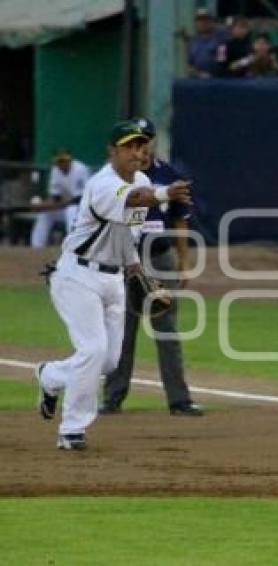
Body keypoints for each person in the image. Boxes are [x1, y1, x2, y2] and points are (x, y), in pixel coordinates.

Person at [34, 121, 192, 450]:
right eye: (130, 146)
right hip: (78, 276)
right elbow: (136, 199)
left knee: (108, 362)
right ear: (113, 152)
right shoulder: (104, 184)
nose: (138, 151)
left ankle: (50, 376)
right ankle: (72, 430)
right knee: (92, 351)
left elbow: (126, 233)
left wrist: (137, 270)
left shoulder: (144, 179)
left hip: (113, 278)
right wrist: (164, 194)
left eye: (141, 145)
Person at [100, 118, 202, 417]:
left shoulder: (169, 173)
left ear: (153, 143)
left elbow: (181, 219)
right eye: (136, 142)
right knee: (124, 330)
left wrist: (184, 263)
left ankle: (179, 400)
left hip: (160, 257)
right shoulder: (116, 178)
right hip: (125, 260)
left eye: (146, 141)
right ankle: (113, 397)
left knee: (167, 329)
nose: (141, 148)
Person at [30, 149, 90, 249]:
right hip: (65, 206)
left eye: (64, 160)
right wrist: (42, 206)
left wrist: (47, 205)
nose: (62, 163)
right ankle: (36, 247)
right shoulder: (56, 170)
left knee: (71, 211)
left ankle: (73, 247)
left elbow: (79, 199)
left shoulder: (81, 169)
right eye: (59, 161)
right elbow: (55, 197)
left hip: (83, 208)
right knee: (45, 214)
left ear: (70, 160)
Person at [187, 8, 229, 79]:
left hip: (218, 81)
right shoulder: (193, 42)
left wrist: (212, 74)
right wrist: (198, 73)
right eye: (199, 20)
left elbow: (223, 63)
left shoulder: (221, 40)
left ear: (212, 22)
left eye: (206, 20)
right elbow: (190, 65)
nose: (203, 23)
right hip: (198, 81)